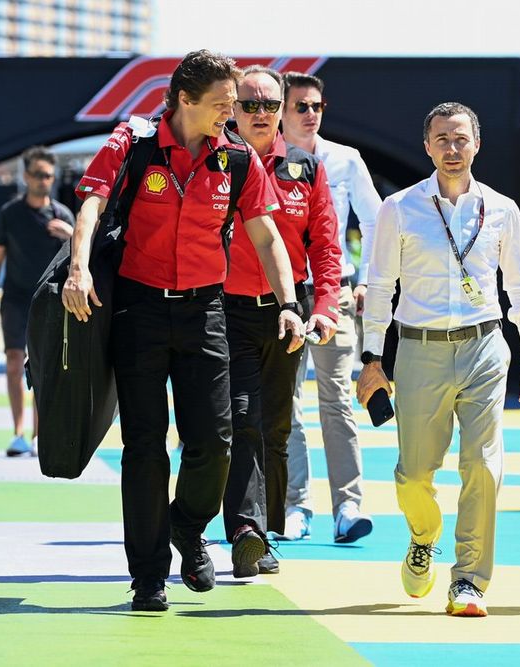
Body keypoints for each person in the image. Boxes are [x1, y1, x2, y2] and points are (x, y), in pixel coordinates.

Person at [62, 51, 304, 612]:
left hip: (205, 313)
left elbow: (267, 236)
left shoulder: (238, 159)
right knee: (144, 446)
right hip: (139, 311)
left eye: (235, 104)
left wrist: (289, 302)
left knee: (215, 442)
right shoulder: (135, 143)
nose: (233, 113)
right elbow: (93, 205)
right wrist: (78, 269)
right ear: (184, 101)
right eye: (223, 104)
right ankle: (147, 576)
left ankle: (187, 527)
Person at [356, 102, 520, 617]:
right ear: (427, 147)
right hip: (418, 349)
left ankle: (469, 581)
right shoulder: (400, 207)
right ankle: (423, 535)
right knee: (413, 474)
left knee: (483, 467)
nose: (452, 148)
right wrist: (372, 359)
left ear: (476, 144)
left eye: (461, 138)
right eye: (442, 139)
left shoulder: (502, 209)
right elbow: (380, 288)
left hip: (486, 347)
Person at [222, 65, 343, 577]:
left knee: (275, 426)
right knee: (241, 421)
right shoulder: (214, 164)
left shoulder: (306, 169)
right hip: (223, 312)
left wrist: (324, 307)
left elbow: (327, 247)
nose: (260, 114)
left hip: (286, 315)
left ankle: (264, 532)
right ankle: (244, 530)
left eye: (270, 105)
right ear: (231, 109)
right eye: (249, 104)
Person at [281, 71, 382, 543]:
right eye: (300, 105)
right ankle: (295, 505)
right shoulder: (264, 158)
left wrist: (367, 283)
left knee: (338, 399)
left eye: (316, 106)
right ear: (281, 110)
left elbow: (377, 222)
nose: (309, 114)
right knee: (286, 403)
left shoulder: (346, 159)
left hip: (334, 291)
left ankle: (348, 507)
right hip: (281, 296)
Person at [0, 146, 74, 457]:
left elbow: (81, 258)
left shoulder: (63, 216)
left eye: (47, 175)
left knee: (43, 368)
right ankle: (18, 433)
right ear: (25, 176)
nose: (42, 180)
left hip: (49, 302)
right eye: (36, 175)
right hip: (16, 298)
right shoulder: (10, 214)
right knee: (12, 362)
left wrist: (71, 235)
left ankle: (38, 436)